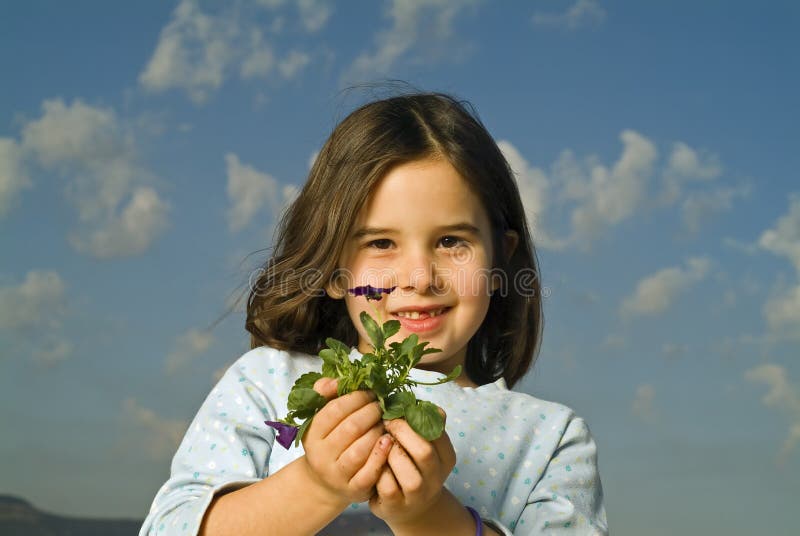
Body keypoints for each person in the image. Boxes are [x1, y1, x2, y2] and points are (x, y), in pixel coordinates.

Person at [140, 92, 608, 535]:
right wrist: (315, 485)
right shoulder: (266, 383)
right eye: (381, 243)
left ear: (501, 260)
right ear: (334, 268)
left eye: (451, 242)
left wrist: (429, 517)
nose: (419, 277)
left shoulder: (550, 439)